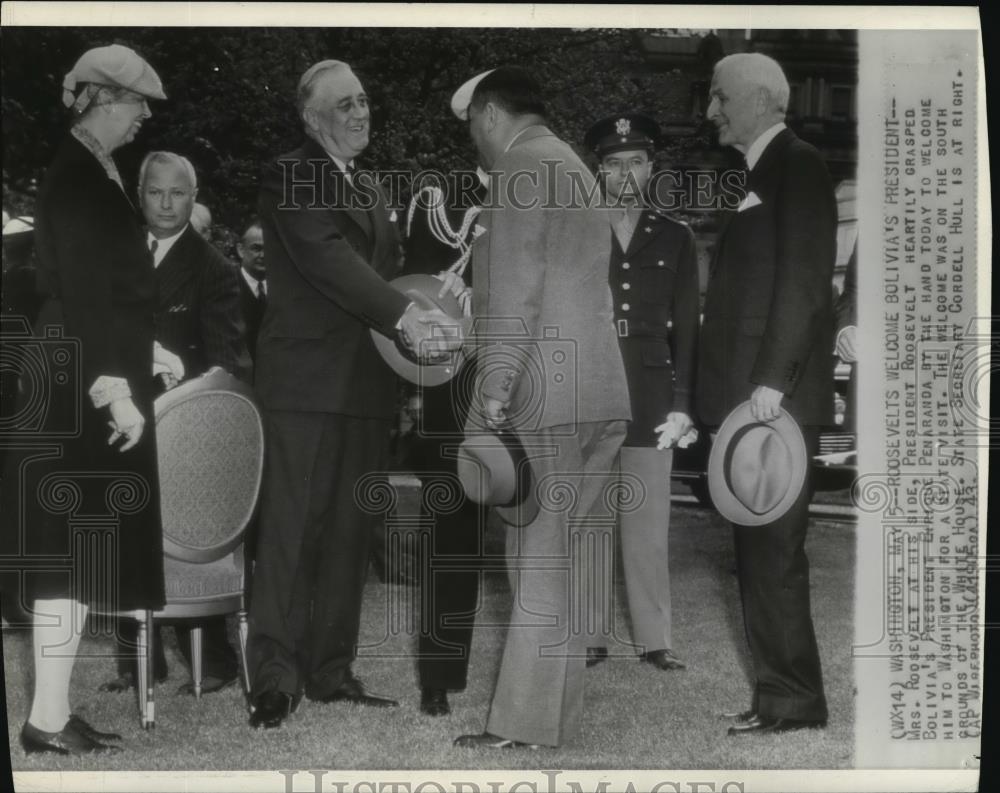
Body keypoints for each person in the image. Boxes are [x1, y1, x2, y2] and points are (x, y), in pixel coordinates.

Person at [245, 59, 461, 730]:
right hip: (304, 387)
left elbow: (392, 274)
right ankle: (275, 679)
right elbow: (329, 260)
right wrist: (406, 315)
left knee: (348, 535)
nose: (361, 112)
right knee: (289, 534)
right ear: (311, 118)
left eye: (364, 101)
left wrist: (443, 295)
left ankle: (330, 671)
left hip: (366, 386)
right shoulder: (292, 173)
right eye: (345, 105)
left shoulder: (367, 184)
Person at [450, 66, 631, 749]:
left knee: (533, 557)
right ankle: (551, 721)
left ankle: (521, 725)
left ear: (491, 114)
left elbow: (516, 294)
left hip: (545, 395)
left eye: (472, 127)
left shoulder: (521, 168)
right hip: (598, 391)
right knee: (560, 559)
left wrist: (493, 391)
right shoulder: (575, 166)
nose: (475, 143)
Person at [2, 44, 167, 755]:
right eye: (136, 105)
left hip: (78, 364)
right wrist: (115, 387)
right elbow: (88, 295)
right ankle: (43, 720)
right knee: (65, 553)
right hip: (78, 378)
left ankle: (52, 712)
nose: (143, 120)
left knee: (71, 553)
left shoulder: (91, 169)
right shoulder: (79, 176)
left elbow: (103, 285)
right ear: (100, 99)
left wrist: (144, 350)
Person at [697, 52, 835, 735]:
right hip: (754, 403)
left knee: (774, 552)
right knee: (759, 551)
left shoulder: (797, 164)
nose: (710, 110)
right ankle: (780, 693)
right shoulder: (759, 172)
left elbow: (806, 286)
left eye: (719, 96)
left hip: (773, 404)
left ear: (754, 99)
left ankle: (792, 700)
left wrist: (772, 383)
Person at [99, 151, 251, 697]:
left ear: (194, 197)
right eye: (156, 193)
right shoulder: (115, 255)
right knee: (120, 533)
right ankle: (137, 662)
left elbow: (229, 362)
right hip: (118, 420)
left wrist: (185, 399)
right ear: (140, 195)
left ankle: (214, 662)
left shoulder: (214, 267)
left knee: (188, 542)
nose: (166, 204)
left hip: (183, 427)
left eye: (178, 194)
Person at [582, 113, 700, 672]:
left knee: (648, 522)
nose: (625, 173)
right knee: (590, 517)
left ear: (650, 168)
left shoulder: (676, 235)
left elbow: (688, 328)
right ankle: (590, 634)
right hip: (593, 382)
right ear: (598, 171)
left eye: (635, 162)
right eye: (613, 164)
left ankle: (656, 638)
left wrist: (682, 403)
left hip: (652, 390)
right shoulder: (578, 229)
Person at [400, 168, 487, 716]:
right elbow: (412, 293)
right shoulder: (441, 202)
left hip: (530, 382)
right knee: (452, 538)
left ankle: (548, 671)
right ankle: (441, 673)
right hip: (451, 390)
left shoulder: (538, 192)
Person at [235, 219, 266, 363]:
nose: (263, 255)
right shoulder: (226, 288)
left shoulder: (285, 290)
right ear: (241, 250)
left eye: (269, 249)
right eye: (256, 248)